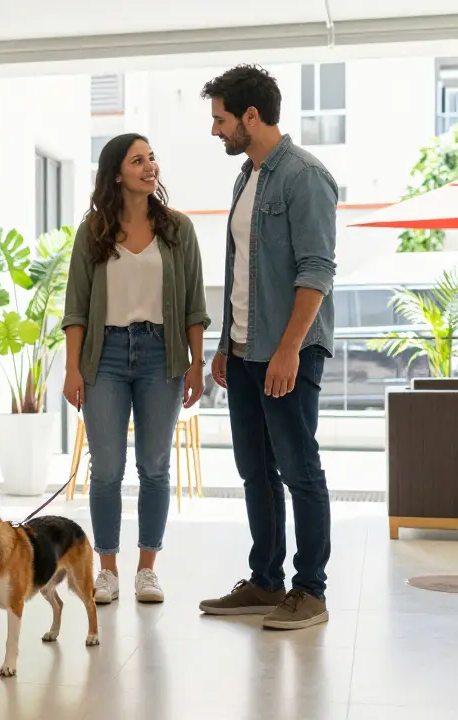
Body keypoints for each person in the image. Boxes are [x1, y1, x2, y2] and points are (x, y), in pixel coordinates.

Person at [197, 65, 337, 630]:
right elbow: (241, 271)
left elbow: (317, 270)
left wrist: (288, 350)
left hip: (288, 353)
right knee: (255, 469)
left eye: (221, 120)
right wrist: (227, 344)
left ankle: (311, 590)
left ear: (250, 117)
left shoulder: (305, 177)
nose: (216, 131)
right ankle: (265, 580)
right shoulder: (246, 178)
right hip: (245, 350)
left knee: (299, 469)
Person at [62, 133, 210, 606]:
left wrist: (195, 363)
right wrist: (72, 369)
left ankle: (147, 569)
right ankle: (106, 569)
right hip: (103, 356)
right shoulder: (93, 231)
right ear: (117, 172)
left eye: (152, 158)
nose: (150, 167)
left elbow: (193, 304)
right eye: (138, 160)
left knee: (154, 465)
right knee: (106, 468)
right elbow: (77, 308)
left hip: (160, 355)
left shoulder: (177, 229)